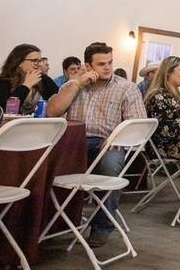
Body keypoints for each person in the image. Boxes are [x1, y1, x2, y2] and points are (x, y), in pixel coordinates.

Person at [45, 42, 146, 248]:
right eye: (101, 64)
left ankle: (102, 227)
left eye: (110, 62)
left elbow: (137, 126)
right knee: (46, 164)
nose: (107, 68)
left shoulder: (126, 87)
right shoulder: (73, 84)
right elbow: (52, 112)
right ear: (88, 66)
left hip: (108, 142)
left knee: (110, 167)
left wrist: (114, 139)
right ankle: (53, 223)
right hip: (74, 142)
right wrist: (76, 85)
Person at [144, 56, 180, 160]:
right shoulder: (159, 96)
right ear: (168, 72)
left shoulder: (176, 95)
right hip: (164, 148)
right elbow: (167, 132)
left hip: (176, 142)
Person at [0, 44, 59, 112]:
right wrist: (26, 85)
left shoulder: (43, 79)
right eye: (34, 60)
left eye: (39, 61)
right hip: (10, 122)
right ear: (19, 62)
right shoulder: (0, 81)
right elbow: (4, 109)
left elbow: (58, 99)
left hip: (38, 122)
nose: (38, 64)